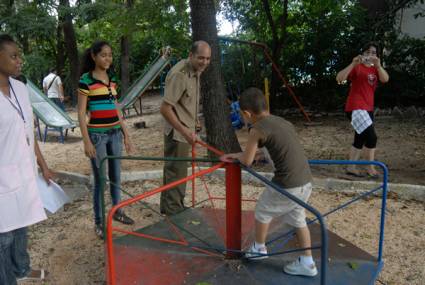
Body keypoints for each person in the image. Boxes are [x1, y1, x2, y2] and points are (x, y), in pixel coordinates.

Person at [220, 87, 318, 277]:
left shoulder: (257, 129)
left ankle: (258, 249)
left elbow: (247, 161)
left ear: (247, 113)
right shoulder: (282, 122)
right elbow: (266, 152)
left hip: (287, 183)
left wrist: (238, 157)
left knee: (263, 211)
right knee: (298, 218)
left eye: (242, 115)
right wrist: (236, 155)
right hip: (305, 181)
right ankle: (308, 262)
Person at [0, 34, 54, 284]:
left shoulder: (20, 88)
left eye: (19, 55)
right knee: (3, 236)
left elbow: (27, 132)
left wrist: (42, 164)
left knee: (22, 224)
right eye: (13, 56)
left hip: (24, 171)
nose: (19, 60)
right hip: (2, 176)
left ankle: (21, 269)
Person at [78, 40, 135, 238]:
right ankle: (99, 221)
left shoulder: (112, 81)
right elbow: (80, 113)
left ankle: (118, 211)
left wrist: (126, 134)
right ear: (94, 56)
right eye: (103, 55)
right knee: (101, 181)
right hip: (98, 136)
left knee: (116, 176)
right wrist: (86, 141)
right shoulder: (86, 81)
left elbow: (117, 109)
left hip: (115, 135)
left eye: (110, 55)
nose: (107, 58)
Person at [159, 41, 211, 216]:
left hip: (185, 129)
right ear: (191, 55)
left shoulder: (195, 71)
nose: (204, 62)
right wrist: (184, 130)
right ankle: (175, 215)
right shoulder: (180, 74)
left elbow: (186, 103)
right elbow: (165, 108)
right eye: (201, 58)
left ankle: (172, 207)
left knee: (177, 171)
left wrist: (194, 122)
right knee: (176, 172)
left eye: (208, 58)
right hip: (178, 132)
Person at [336, 42, 389, 178]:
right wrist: (353, 63)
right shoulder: (357, 67)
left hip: (368, 108)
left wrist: (378, 65)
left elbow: (385, 79)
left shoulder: (375, 69)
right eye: (367, 52)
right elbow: (339, 78)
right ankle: (370, 167)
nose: (370, 55)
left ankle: (351, 167)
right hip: (356, 107)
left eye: (373, 53)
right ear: (362, 54)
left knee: (360, 138)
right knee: (372, 137)